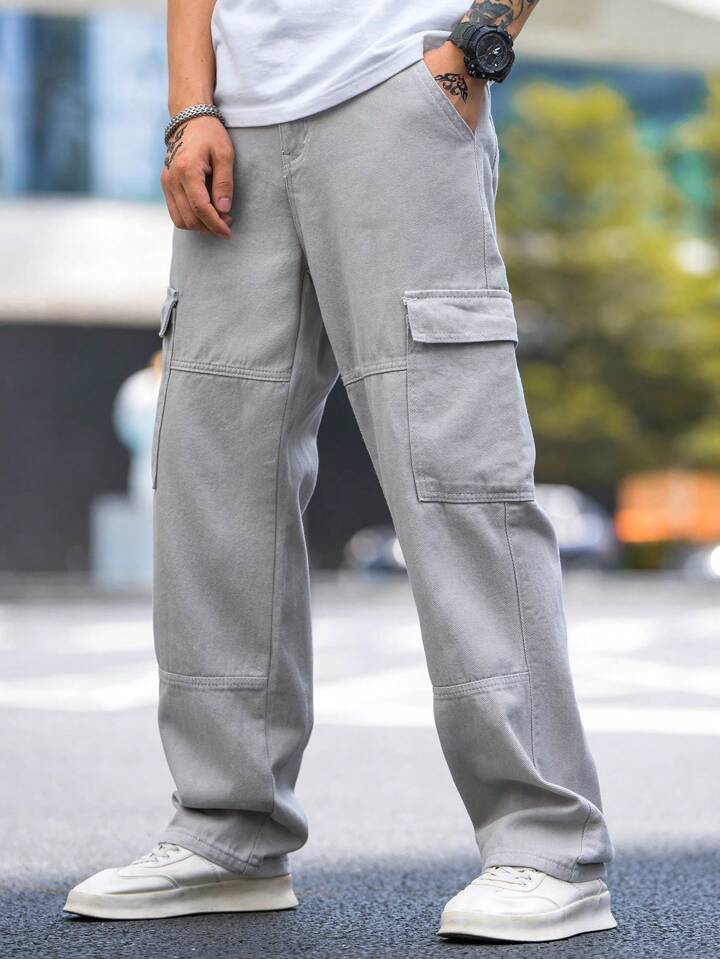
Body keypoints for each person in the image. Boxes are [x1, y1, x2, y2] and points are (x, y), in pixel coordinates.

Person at [64, 0, 617, 943]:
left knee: (455, 469)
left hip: (396, 88)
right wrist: (191, 110)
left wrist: (475, 47)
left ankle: (547, 841)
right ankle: (228, 828)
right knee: (212, 479)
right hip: (234, 126)